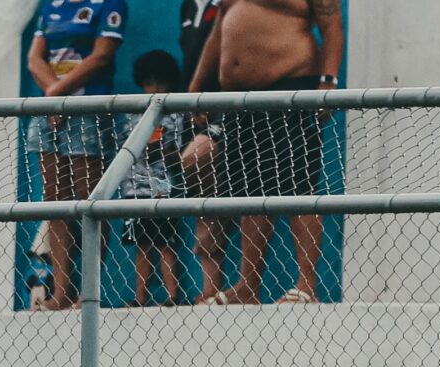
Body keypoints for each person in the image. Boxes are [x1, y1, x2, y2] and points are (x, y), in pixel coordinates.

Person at [188, 0, 342, 305]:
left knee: (300, 189)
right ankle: (248, 286)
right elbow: (220, 29)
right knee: (252, 193)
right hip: (238, 99)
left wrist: (329, 81)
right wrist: (197, 85)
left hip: (290, 88)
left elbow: (332, 24)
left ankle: (306, 286)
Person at [26, 0, 128, 311]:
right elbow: (34, 58)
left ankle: (89, 290)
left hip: (88, 111)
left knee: (89, 200)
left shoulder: (109, 4)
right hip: (50, 112)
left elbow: (100, 57)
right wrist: (54, 97)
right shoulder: (52, 5)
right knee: (55, 200)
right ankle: (62, 291)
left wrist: (58, 96)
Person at [123, 50, 189, 307]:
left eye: (160, 82)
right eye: (149, 82)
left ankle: (173, 295)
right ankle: (140, 297)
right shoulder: (133, 114)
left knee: (165, 243)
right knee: (142, 244)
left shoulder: (174, 113)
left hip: (164, 188)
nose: (155, 88)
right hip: (136, 188)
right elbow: (127, 148)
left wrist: (161, 151)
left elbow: (179, 151)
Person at [179, 0, 234, 304]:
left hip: (229, 107)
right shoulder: (188, 6)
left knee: (195, 158)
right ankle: (210, 287)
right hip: (196, 112)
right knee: (205, 200)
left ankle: (240, 282)